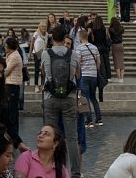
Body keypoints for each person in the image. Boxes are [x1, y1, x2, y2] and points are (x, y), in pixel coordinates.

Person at [41, 25, 82, 178]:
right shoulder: (73, 54)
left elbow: (43, 72)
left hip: (50, 97)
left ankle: (50, 170)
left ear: (52, 37)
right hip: (69, 97)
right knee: (72, 137)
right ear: (65, 38)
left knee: (49, 136)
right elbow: (77, 75)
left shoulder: (46, 53)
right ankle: (75, 172)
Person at [76, 29, 102, 128]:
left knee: (85, 98)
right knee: (93, 97)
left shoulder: (79, 48)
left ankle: (89, 121)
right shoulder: (94, 47)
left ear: (80, 37)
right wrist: (95, 70)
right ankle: (99, 119)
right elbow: (98, 62)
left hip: (84, 75)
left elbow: (78, 63)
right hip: (93, 75)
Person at [4, 37, 24, 145]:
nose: (4, 46)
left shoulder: (14, 56)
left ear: (8, 46)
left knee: (12, 112)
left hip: (12, 85)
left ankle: (13, 136)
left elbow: (6, 71)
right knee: (10, 111)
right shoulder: (11, 55)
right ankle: (11, 134)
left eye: (5, 44)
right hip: (10, 84)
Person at [109, 17, 125, 83]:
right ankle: (122, 78)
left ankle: (119, 78)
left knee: (116, 62)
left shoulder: (111, 29)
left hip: (114, 45)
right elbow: (122, 31)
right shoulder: (121, 28)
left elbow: (109, 37)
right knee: (121, 61)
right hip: (121, 45)